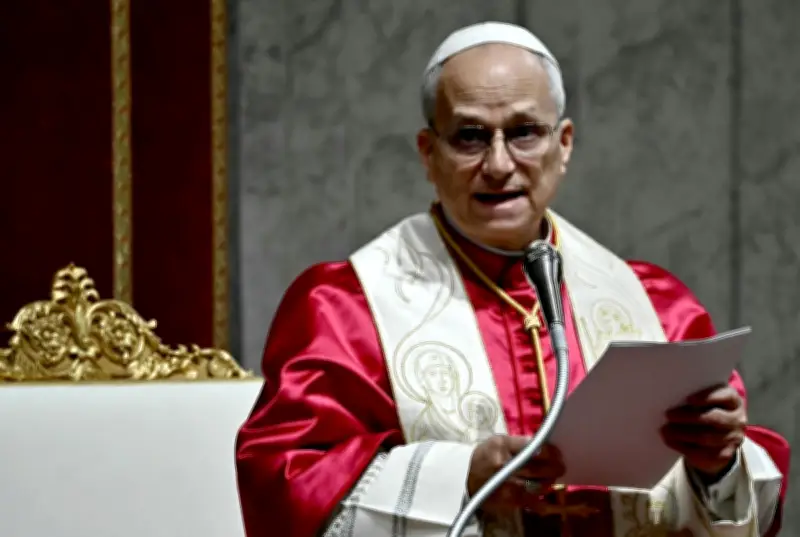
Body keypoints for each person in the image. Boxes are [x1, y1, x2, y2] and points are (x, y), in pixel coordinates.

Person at [235, 22, 790, 537]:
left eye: (524, 132)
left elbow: (742, 509)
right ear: (428, 153)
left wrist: (717, 467)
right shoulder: (344, 308)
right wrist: (461, 477)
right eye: (470, 137)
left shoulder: (658, 306)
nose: (499, 165)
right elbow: (283, 489)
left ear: (563, 144)